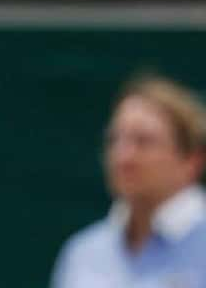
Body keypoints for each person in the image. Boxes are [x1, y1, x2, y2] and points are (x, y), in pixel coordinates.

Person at [52, 75, 206, 288]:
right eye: (114, 140)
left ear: (192, 160)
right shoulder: (82, 252)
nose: (123, 157)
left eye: (143, 141)